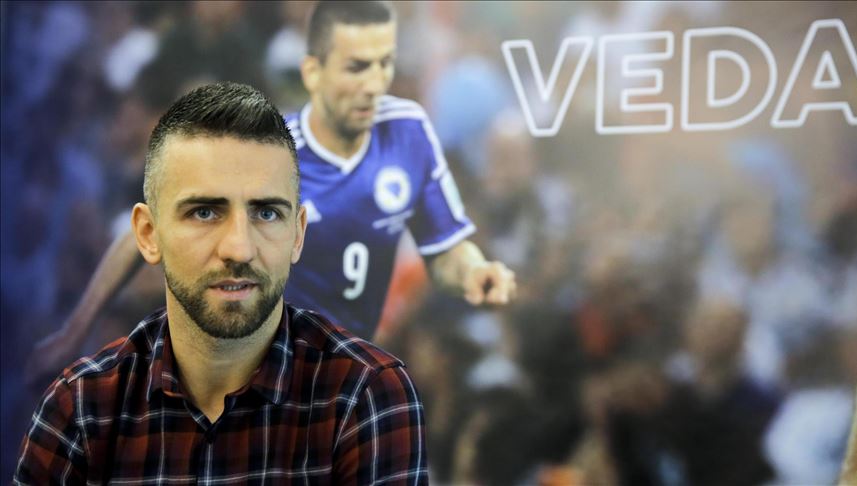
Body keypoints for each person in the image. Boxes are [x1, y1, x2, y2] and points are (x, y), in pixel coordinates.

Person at [28, 0, 516, 383]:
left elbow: (444, 249)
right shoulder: (267, 148)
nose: (373, 85)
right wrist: (74, 331)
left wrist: (474, 271)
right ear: (313, 72)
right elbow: (147, 228)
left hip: (348, 382)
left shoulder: (409, 134)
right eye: (356, 67)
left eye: (383, 66)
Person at [15, 82, 428, 484]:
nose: (239, 248)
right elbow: (133, 241)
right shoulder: (81, 405)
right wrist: (75, 331)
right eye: (204, 213)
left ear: (298, 233)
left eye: (267, 213)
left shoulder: (367, 396)